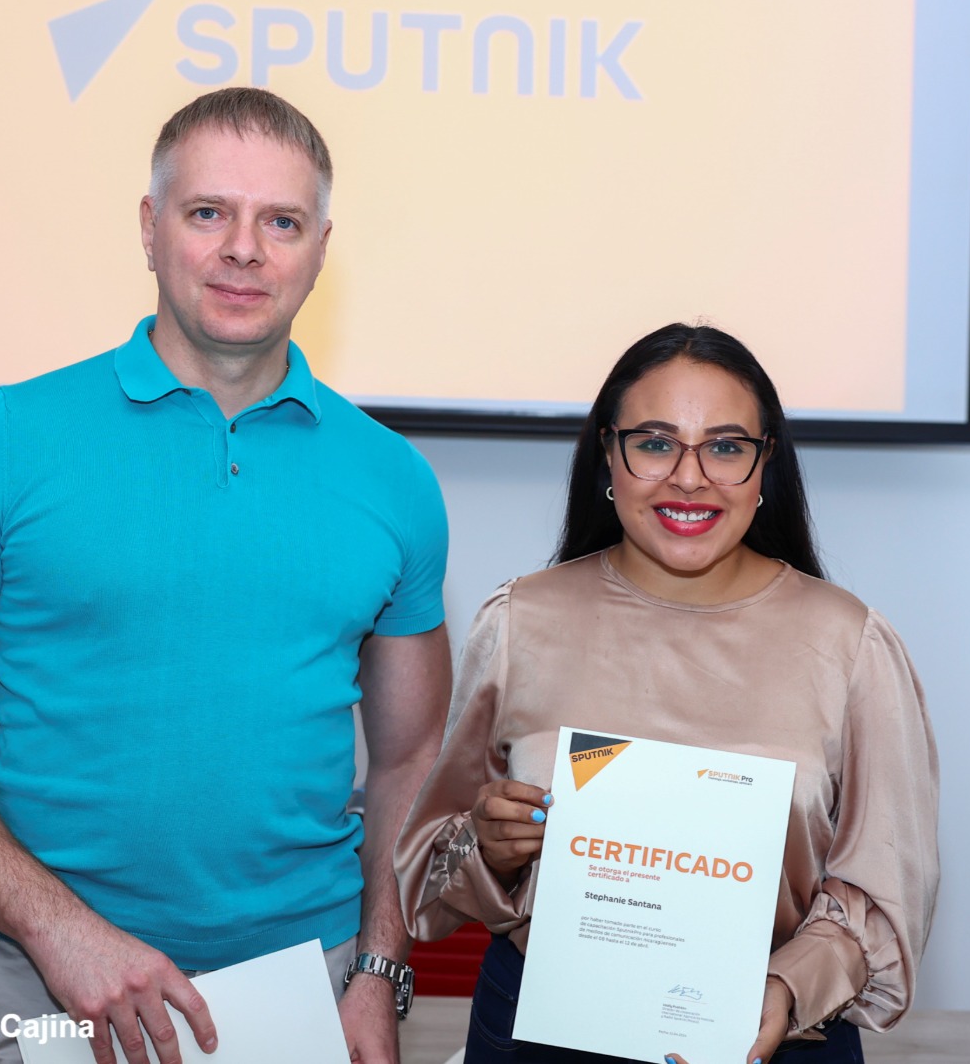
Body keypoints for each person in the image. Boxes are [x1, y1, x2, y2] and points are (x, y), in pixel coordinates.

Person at [0, 88, 450, 1064]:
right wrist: (60, 930)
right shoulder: (1, 439)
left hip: (306, 987)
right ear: (149, 228)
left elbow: (411, 759)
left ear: (321, 247)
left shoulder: (395, 480)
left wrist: (377, 971)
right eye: (208, 212)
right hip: (37, 979)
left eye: (281, 222)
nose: (243, 249)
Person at [395, 323, 939, 1064]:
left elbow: (881, 898)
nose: (689, 478)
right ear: (608, 456)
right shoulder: (519, 621)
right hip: (539, 1033)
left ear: (765, 464)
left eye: (726, 447)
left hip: (769, 1037)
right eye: (655, 443)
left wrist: (788, 985)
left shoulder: (852, 643)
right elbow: (426, 866)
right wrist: (490, 849)